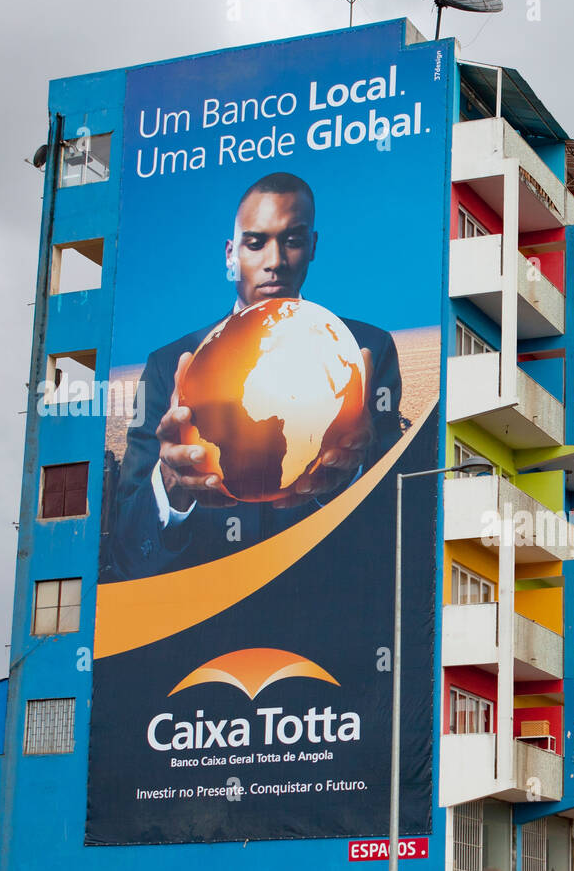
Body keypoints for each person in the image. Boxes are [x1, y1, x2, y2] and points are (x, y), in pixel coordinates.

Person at [105, 172, 404, 579]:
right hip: (203, 612)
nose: (275, 261)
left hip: (327, 602)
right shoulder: (167, 364)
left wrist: (350, 474)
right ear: (231, 254)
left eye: (292, 240)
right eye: (256, 242)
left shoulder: (364, 350)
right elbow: (126, 553)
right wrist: (172, 483)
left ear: (312, 246)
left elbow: (397, 521)